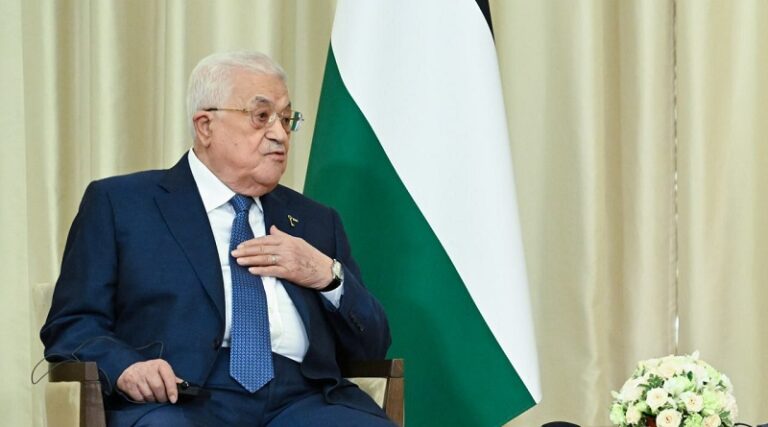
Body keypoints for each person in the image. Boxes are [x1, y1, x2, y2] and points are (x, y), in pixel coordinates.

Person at [41, 51, 394, 427]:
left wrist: (327, 275)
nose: (279, 134)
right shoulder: (121, 204)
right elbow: (72, 325)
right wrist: (126, 367)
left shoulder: (315, 221)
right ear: (205, 126)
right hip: (184, 398)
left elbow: (372, 347)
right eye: (261, 116)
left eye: (286, 119)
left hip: (303, 400)